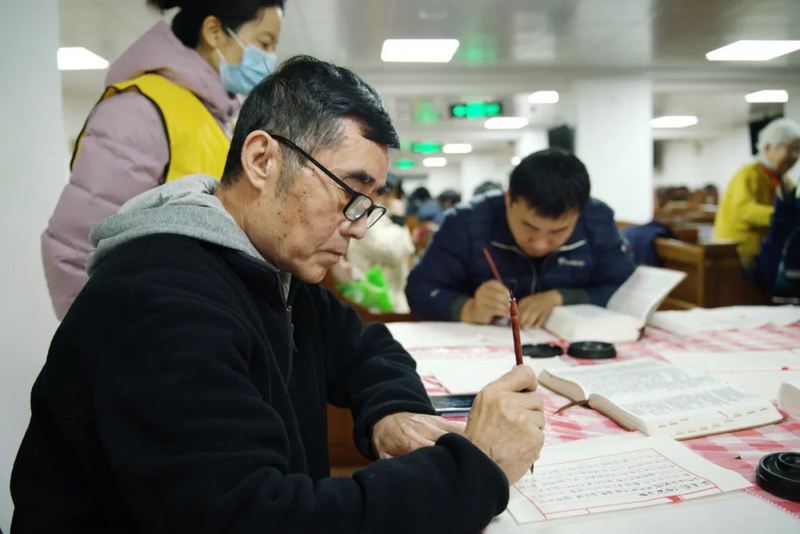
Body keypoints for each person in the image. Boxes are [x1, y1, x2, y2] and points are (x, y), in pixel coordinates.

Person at [12, 56, 546, 534]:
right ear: (263, 160)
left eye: (369, 204)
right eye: (349, 194)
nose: (359, 227)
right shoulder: (161, 306)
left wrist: (390, 414)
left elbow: (365, 349)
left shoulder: (274, 268)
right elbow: (259, 518)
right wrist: (474, 468)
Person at [42, 0, 285, 320]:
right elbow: (73, 249)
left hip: (205, 322)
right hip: (154, 339)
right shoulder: (139, 110)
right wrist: (108, 349)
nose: (268, 59)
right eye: (264, 43)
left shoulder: (219, 118)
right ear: (214, 32)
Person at [406, 148, 636, 327]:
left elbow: (629, 290)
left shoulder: (597, 222)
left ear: (580, 213)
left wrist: (564, 297)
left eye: (557, 232)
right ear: (508, 199)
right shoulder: (465, 222)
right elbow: (419, 288)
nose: (540, 244)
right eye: (529, 227)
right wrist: (467, 308)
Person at [714, 118, 800, 267]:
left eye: (798, 150)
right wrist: (779, 216)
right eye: (790, 149)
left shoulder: (785, 182)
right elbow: (744, 210)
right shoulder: (748, 174)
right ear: (767, 148)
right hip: (739, 254)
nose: (795, 157)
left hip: (768, 252)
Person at [347, 183, 416, 313]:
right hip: (377, 298)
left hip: (385, 295)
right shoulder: (370, 218)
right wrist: (399, 220)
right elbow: (391, 252)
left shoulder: (380, 217)